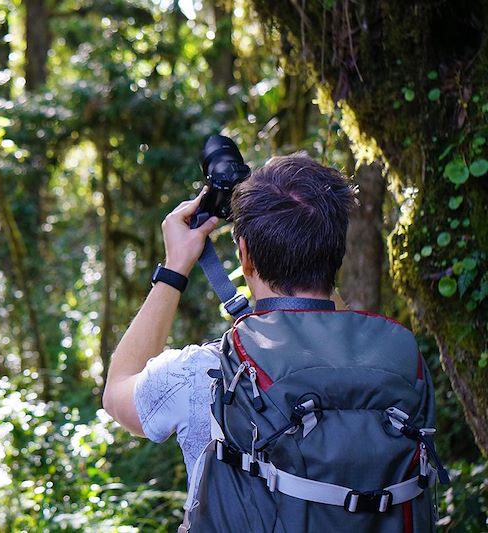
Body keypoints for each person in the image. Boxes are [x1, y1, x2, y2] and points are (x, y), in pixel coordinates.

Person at [102, 153, 440, 531]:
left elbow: (117, 392)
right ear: (336, 252)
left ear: (244, 256)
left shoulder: (208, 373)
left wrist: (175, 267)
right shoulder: (398, 363)